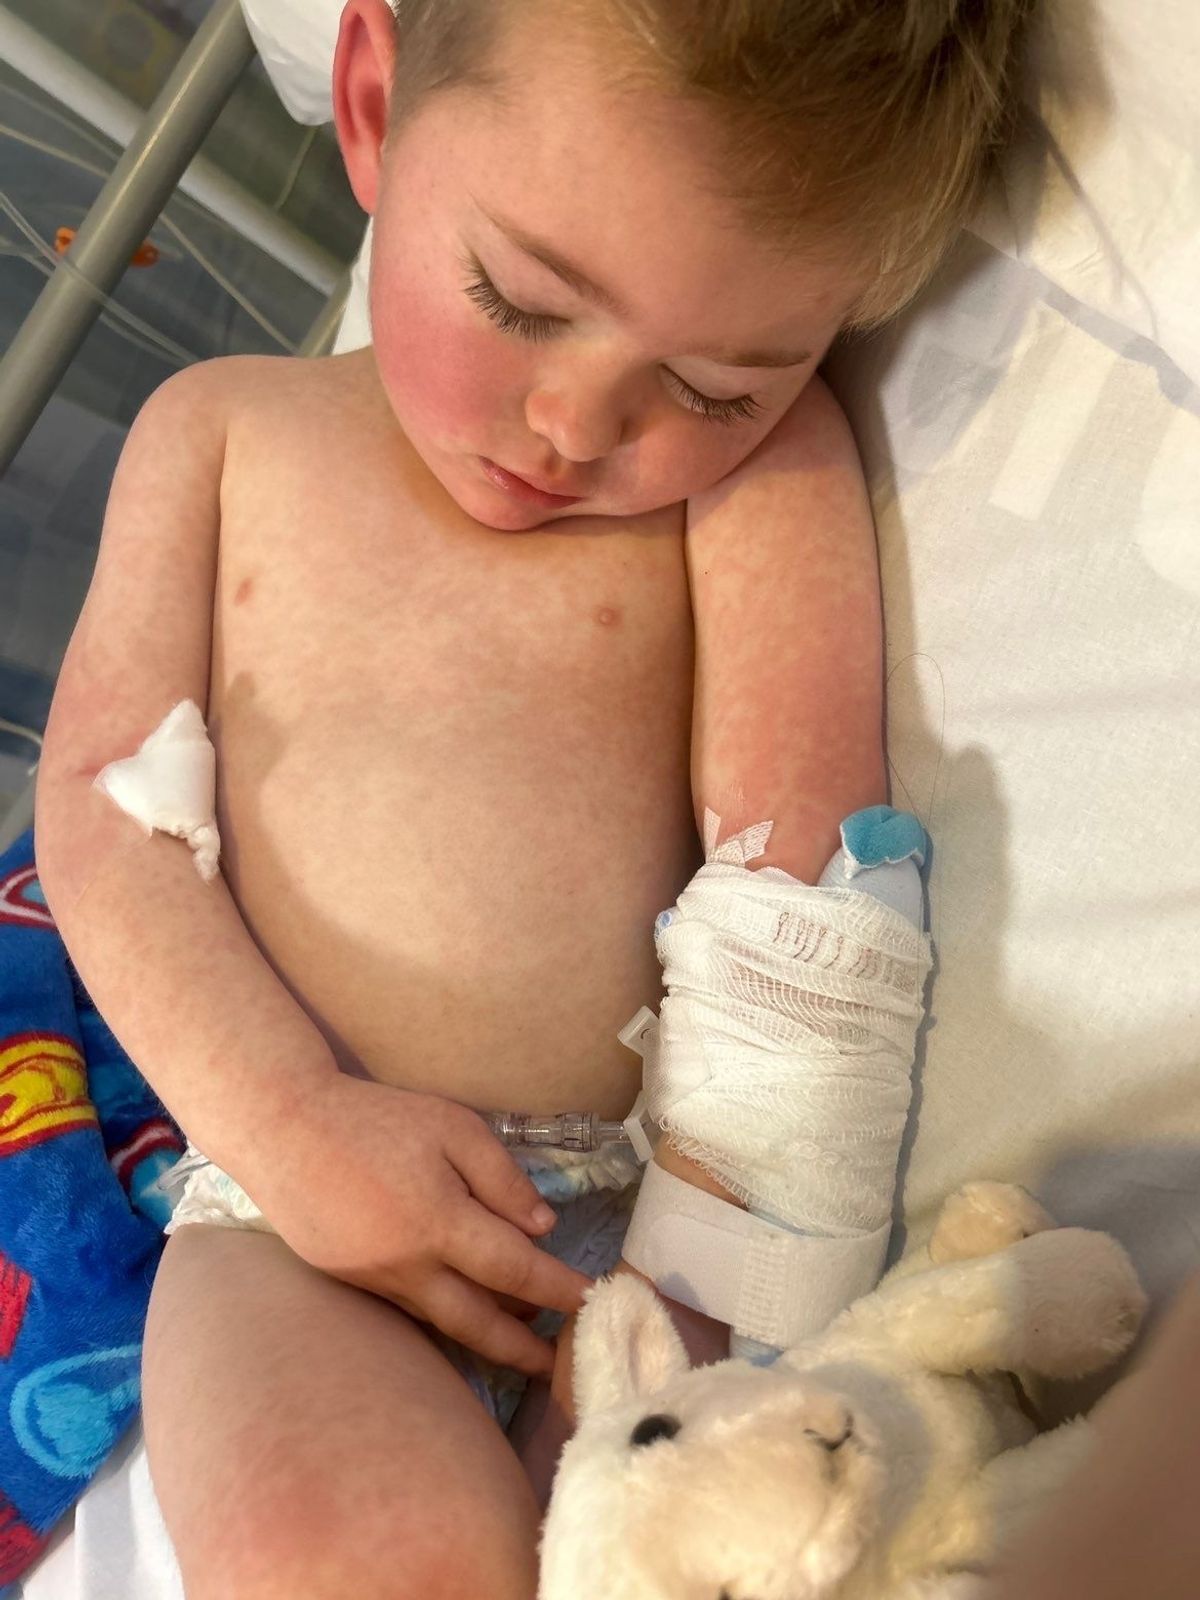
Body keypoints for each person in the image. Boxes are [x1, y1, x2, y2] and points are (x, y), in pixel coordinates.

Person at [33, 1, 1031, 1594]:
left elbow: (804, 903)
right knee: (353, 1558)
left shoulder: (764, 481)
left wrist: (710, 1282)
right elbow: (101, 814)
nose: (578, 430)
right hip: (296, 1221)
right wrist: (289, 1122)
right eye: (519, 302)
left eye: (711, 386)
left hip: (649, 1221)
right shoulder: (218, 430)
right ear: (372, 107)